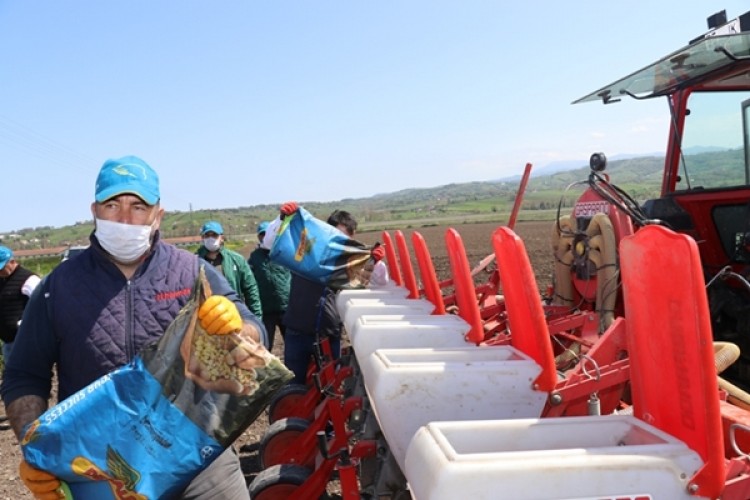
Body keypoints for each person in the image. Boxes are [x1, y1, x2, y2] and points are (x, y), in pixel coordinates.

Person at [0, 155, 265, 500]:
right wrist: (36, 451)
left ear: (158, 214)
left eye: (138, 206)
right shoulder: (58, 287)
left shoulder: (192, 272)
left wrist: (238, 326)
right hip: (100, 465)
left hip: (200, 458)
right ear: (94, 210)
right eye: (113, 205)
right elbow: (24, 375)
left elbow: (254, 328)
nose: (125, 218)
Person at [279, 203, 385, 385]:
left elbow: (379, 283)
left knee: (329, 387)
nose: (340, 242)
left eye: (346, 238)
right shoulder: (306, 252)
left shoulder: (351, 263)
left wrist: (374, 262)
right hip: (298, 332)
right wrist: (285, 220)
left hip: (329, 335)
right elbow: (277, 240)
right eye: (336, 235)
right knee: (293, 385)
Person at [196, 220, 263, 321]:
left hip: (233, 316)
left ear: (222, 238)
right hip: (205, 319)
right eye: (207, 235)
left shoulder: (236, 260)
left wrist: (256, 320)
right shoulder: (194, 262)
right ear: (202, 238)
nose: (210, 238)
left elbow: (250, 289)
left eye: (214, 235)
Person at [248, 221, 291, 352]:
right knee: (266, 346)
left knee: (291, 344)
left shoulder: (284, 253)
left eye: (268, 234)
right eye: (262, 235)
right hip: (266, 310)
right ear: (259, 237)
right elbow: (249, 281)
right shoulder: (254, 257)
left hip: (287, 308)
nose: (265, 237)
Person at [0, 246, 41, 363]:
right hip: (8, 343)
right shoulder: (2, 279)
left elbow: (45, 307)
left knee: (30, 377)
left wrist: (25, 323)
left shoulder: (29, 280)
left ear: (12, 262)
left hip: (27, 343)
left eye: (1, 268)